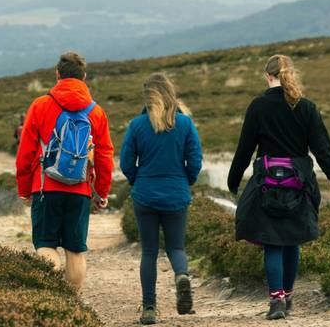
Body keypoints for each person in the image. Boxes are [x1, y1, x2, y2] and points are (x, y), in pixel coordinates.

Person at [227, 55, 330, 321]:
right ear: (290, 74)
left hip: (266, 186)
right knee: (292, 241)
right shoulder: (306, 108)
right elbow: (323, 148)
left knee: (272, 243)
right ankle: (289, 296)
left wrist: (233, 181)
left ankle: (276, 299)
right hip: (300, 185)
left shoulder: (257, 107)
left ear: (267, 76)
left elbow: (245, 149)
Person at [16, 51, 114, 291]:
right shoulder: (97, 112)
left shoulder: (40, 105)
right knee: (76, 250)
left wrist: (24, 190)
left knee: (46, 245)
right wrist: (101, 192)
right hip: (80, 189)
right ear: (84, 77)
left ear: (57, 75)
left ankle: (52, 299)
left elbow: (25, 153)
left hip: (45, 187)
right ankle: (72, 304)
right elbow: (104, 156)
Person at [120, 73, 203, 325]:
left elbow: (125, 163)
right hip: (176, 193)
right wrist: (185, 180)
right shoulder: (185, 124)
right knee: (176, 248)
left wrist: (138, 180)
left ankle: (149, 308)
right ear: (170, 94)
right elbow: (195, 161)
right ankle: (181, 276)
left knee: (149, 251)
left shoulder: (136, 125)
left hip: (145, 195)